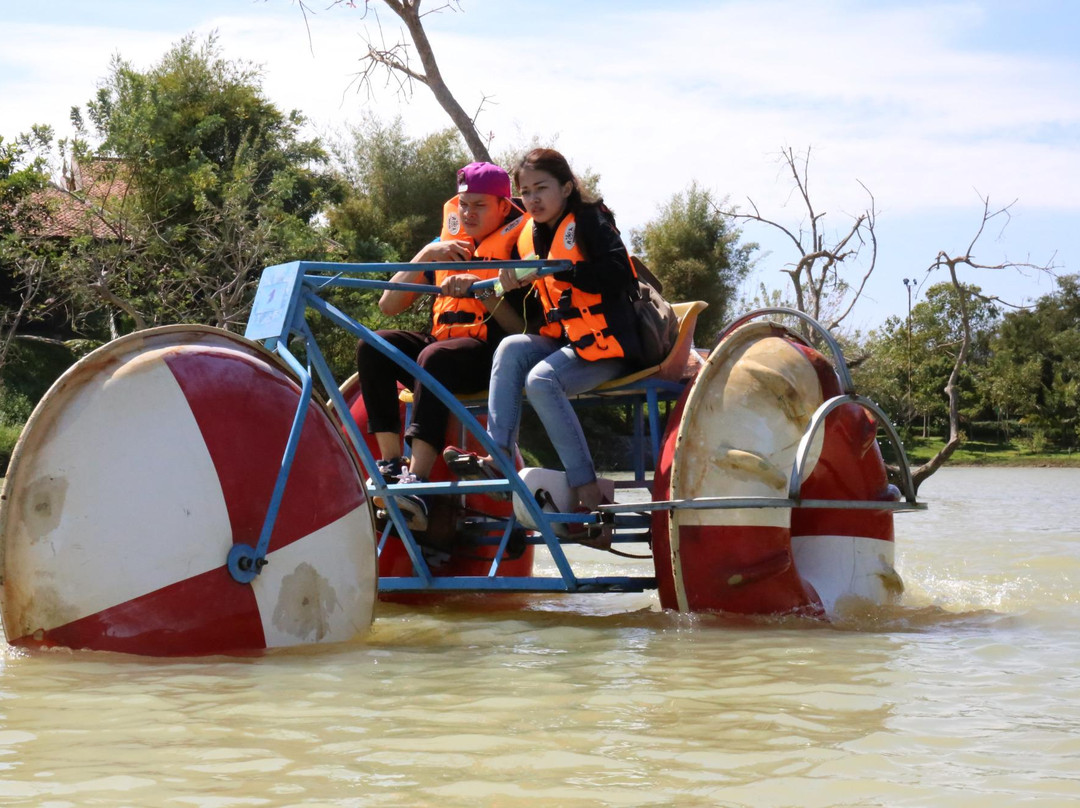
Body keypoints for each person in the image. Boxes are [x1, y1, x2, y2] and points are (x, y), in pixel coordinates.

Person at [443, 148, 643, 528]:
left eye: (541, 188)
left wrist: (556, 271)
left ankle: (586, 489)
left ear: (566, 187)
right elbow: (536, 312)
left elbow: (620, 275)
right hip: (571, 342)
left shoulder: (590, 221)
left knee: (541, 380)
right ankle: (498, 455)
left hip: (611, 347)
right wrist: (503, 285)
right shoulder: (532, 234)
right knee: (511, 347)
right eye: (526, 191)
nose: (533, 199)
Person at [355, 161, 533, 529]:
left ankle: (417, 482)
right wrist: (425, 256)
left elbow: (520, 327)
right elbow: (388, 306)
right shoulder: (445, 244)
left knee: (433, 357)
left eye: (480, 205)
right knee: (374, 345)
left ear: (503, 206)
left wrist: (483, 291)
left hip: (492, 354)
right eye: (464, 204)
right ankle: (391, 464)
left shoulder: (520, 247)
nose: (468, 213)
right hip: (440, 348)